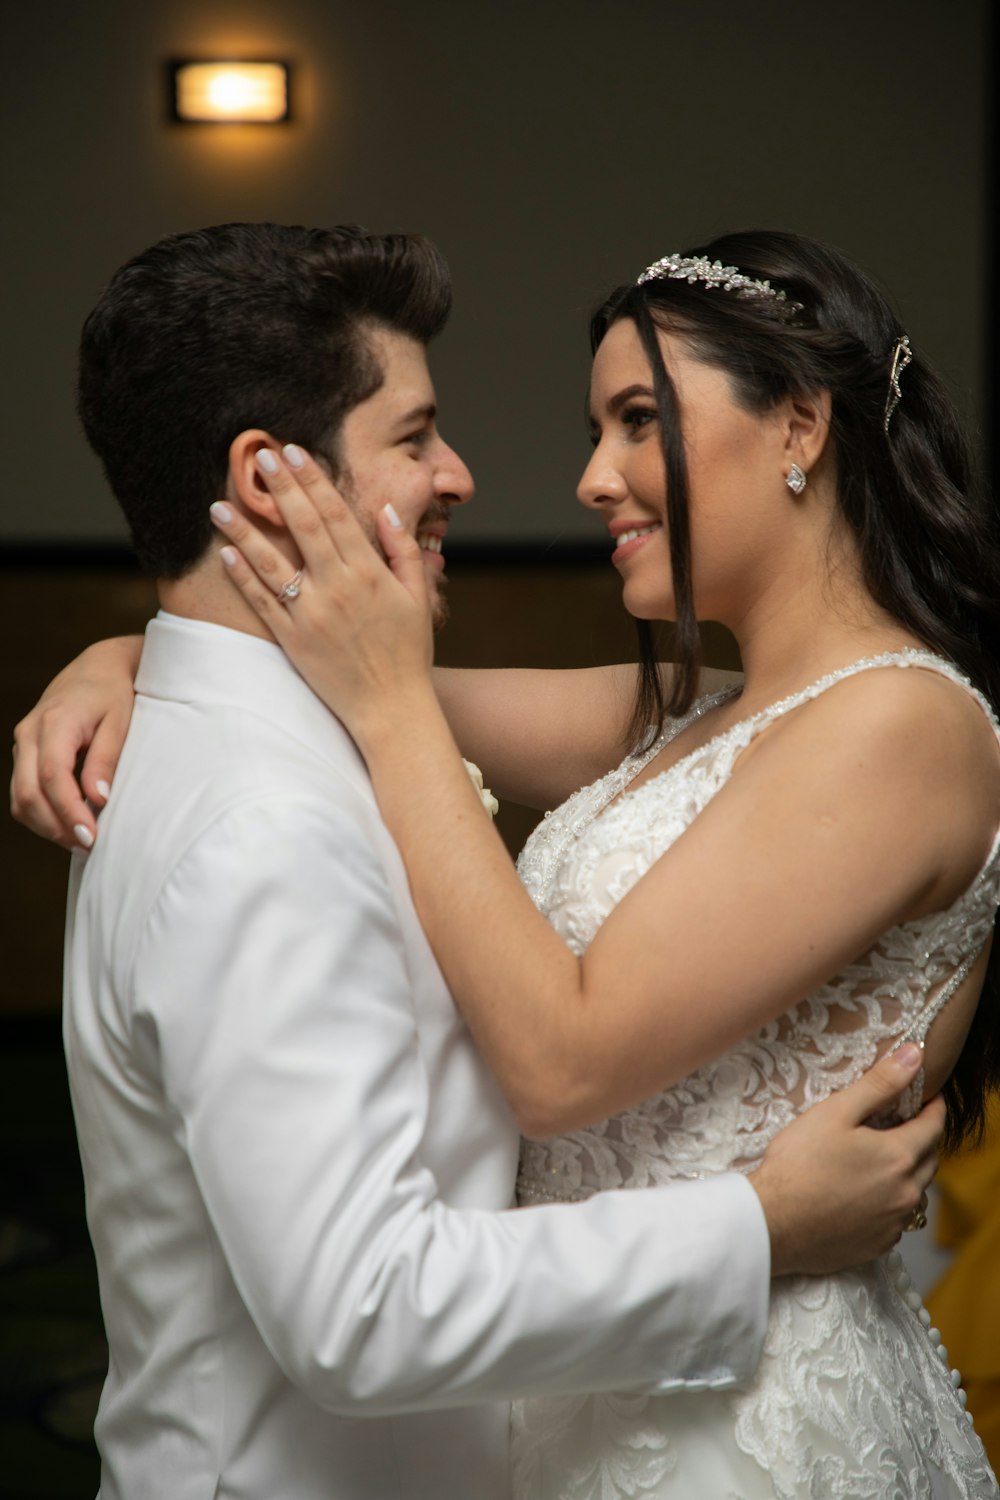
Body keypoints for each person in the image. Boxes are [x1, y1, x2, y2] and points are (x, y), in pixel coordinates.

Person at [8, 222, 945, 1500]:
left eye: (633, 421)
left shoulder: (882, 729)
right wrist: (136, 655)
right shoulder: (269, 810)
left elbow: (421, 718)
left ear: (798, 428)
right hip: (559, 1397)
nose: (568, 480)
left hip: (737, 1419)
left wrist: (174, 653)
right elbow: (372, 1297)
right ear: (271, 481)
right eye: (413, 437)